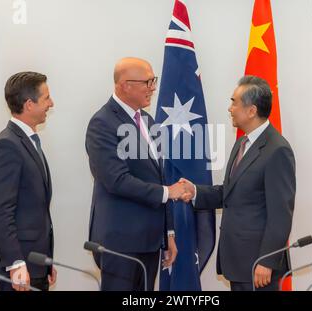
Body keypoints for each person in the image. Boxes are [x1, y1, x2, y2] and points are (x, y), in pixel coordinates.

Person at [180, 75, 296, 291]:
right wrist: (194, 191)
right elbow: (232, 193)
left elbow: (281, 213)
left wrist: (267, 261)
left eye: (234, 102)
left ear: (251, 111)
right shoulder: (243, 142)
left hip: (259, 265)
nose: (230, 108)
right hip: (239, 261)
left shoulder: (277, 150)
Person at [85, 57, 185, 291]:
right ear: (124, 85)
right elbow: (116, 180)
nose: (153, 88)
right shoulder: (102, 123)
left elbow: (160, 175)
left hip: (149, 242)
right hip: (120, 243)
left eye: (154, 81)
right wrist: (167, 193)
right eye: (147, 82)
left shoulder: (148, 121)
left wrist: (168, 232)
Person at [0, 71, 57, 291]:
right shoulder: (7, 145)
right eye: (46, 98)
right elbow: (0, 210)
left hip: (35, 262)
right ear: (29, 104)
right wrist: (15, 262)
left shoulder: (28, 140)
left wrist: (45, 263)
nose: (51, 103)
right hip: (19, 265)